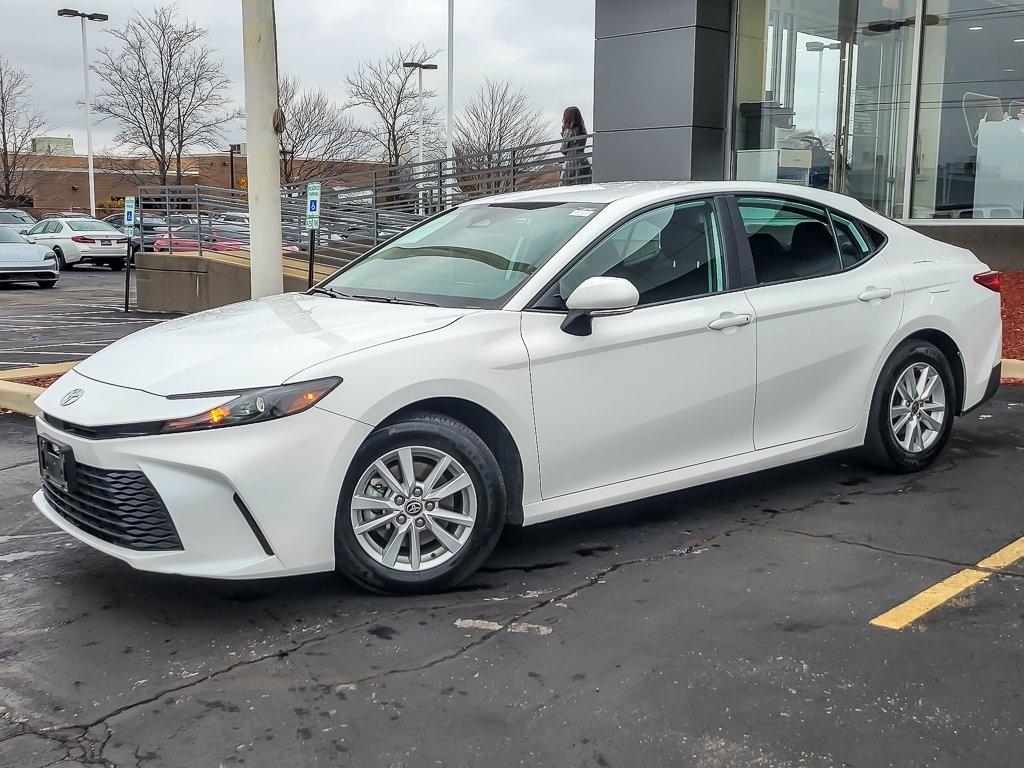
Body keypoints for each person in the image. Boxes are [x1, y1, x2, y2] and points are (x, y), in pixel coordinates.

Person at [560, 106, 592, 186]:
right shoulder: (582, 131)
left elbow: (563, 150)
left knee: (570, 188)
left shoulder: (568, 131)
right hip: (584, 162)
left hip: (571, 163)